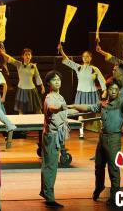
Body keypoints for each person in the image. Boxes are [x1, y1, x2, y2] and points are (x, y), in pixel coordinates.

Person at [68, 80, 123, 207]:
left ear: (119, 91)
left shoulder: (121, 103)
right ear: (107, 90)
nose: (114, 91)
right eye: (111, 89)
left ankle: (114, 196)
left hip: (113, 139)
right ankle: (99, 187)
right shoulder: (103, 103)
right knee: (99, 166)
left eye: (116, 89)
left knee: (113, 169)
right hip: (102, 139)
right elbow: (88, 107)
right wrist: (73, 106)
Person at [40, 71, 78, 209]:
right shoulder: (49, 97)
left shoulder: (60, 96)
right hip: (52, 136)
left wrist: (78, 108)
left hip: (58, 135)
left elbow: (64, 111)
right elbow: (52, 108)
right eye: (54, 80)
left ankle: (45, 192)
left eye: (58, 79)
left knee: (50, 165)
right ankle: (49, 197)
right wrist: (60, 107)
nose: (57, 82)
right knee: (50, 166)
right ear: (48, 83)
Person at [58, 43, 106, 139]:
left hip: (92, 93)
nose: (85, 58)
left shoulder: (94, 69)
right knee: (80, 113)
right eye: (83, 56)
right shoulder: (78, 67)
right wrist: (61, 51)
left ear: (90, 58)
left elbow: (102, 80)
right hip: (81, 93)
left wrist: (105, 91)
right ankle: (81, 133)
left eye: (87, 56)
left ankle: (103, 130)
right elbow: (67, 61)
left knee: (96, 112)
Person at [0, 45, 44, 114]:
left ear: (31, 56)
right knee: (21, 109)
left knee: (38, 109)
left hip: (32, 90)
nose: (27, 56)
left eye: (29, 55)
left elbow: (37, 76)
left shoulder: (33, 66)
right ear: (23, 56)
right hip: (22, 89)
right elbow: (10, 59)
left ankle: (41, 120)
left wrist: (42, 86)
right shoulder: (19, 64)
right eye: (26, 55)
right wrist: (2, 53)